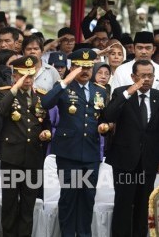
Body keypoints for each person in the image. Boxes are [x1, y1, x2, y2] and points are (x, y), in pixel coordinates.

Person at [41, 48, 110, 237]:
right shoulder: (63, 87)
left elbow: (104, 117)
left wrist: (105, 126)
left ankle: (84, 234)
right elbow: (46, 103)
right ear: (73, 67)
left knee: (87, 197)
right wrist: (65, 81)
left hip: (90, 153)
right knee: (69, 197)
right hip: (68, 153)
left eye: (88, 66)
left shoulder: (100, 91)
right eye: (80, 66)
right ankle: (68, 234)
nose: (85, 70)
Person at [104, 60, 159, 237]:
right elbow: (108, 115)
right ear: (133, 76)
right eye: (143, 75)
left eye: (150, 75)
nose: (147, 79)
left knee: (143, 206)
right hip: (124, 160)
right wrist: (129, 92)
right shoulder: (121, 93)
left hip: (149, 161)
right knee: (123, 205)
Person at [0, 55, 51, 237]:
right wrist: (15, 88)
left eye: (31, 76)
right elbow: (0, 111)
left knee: (28, 206)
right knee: (10, 204)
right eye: (23, 76)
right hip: (11, 157)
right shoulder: (5, 93)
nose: (28, 80)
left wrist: (47, 133)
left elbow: (47, 124)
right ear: (15, 76)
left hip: (33, 158)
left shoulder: (41, 96)